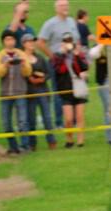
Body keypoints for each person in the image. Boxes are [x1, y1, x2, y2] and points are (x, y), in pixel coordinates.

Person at [38, 0, 79, 128]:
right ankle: (59, 122)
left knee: (74, 90)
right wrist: (53, 56)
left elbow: (77, 40)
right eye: (62, 6)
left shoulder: (72, 21)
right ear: (56, 8)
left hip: (72, 61)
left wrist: (78, 53)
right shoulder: (50, 24)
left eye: (66, 5)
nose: (65, 8)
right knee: (58, 91)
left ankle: (73, 119)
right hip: (58, 62)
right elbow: (40, 42)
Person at [0, 30, 32, 155]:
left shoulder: (21, 54)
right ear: (3, 42)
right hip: (5, 93)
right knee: (6, 122)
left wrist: (22, 65)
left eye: (12, 39)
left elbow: (28, 72)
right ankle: (13, 146)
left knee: (22, 120)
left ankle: (25, 146)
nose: (10, 41)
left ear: (15, 41)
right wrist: (5, 65)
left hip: (20, 91)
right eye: (7, 39)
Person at [51, 32, 88, 147]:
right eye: (66, 41)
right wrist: (63, 54)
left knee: (80, 116)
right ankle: (69, 138)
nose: (68, 43)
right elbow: (57, 70)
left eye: (70, 41)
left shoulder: (78, 54)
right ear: (62, 43)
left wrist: (76, 55)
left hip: (78, 88)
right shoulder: (57, 56)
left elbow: (84, 67)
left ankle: (80, 140)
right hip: (65, 89)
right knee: (68, 119)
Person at [22, 34, 57, 150]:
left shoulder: (40, 58)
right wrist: (30, 79)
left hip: (42, 90)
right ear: (24, 44)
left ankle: (51, 141)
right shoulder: (21, 58)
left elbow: (49, 73)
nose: (32, 43)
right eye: (29, 41)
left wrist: (43, 79)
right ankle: (32, 144)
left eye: (33, 41)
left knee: (47, 117)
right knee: (31, 119)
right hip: (29, 92)